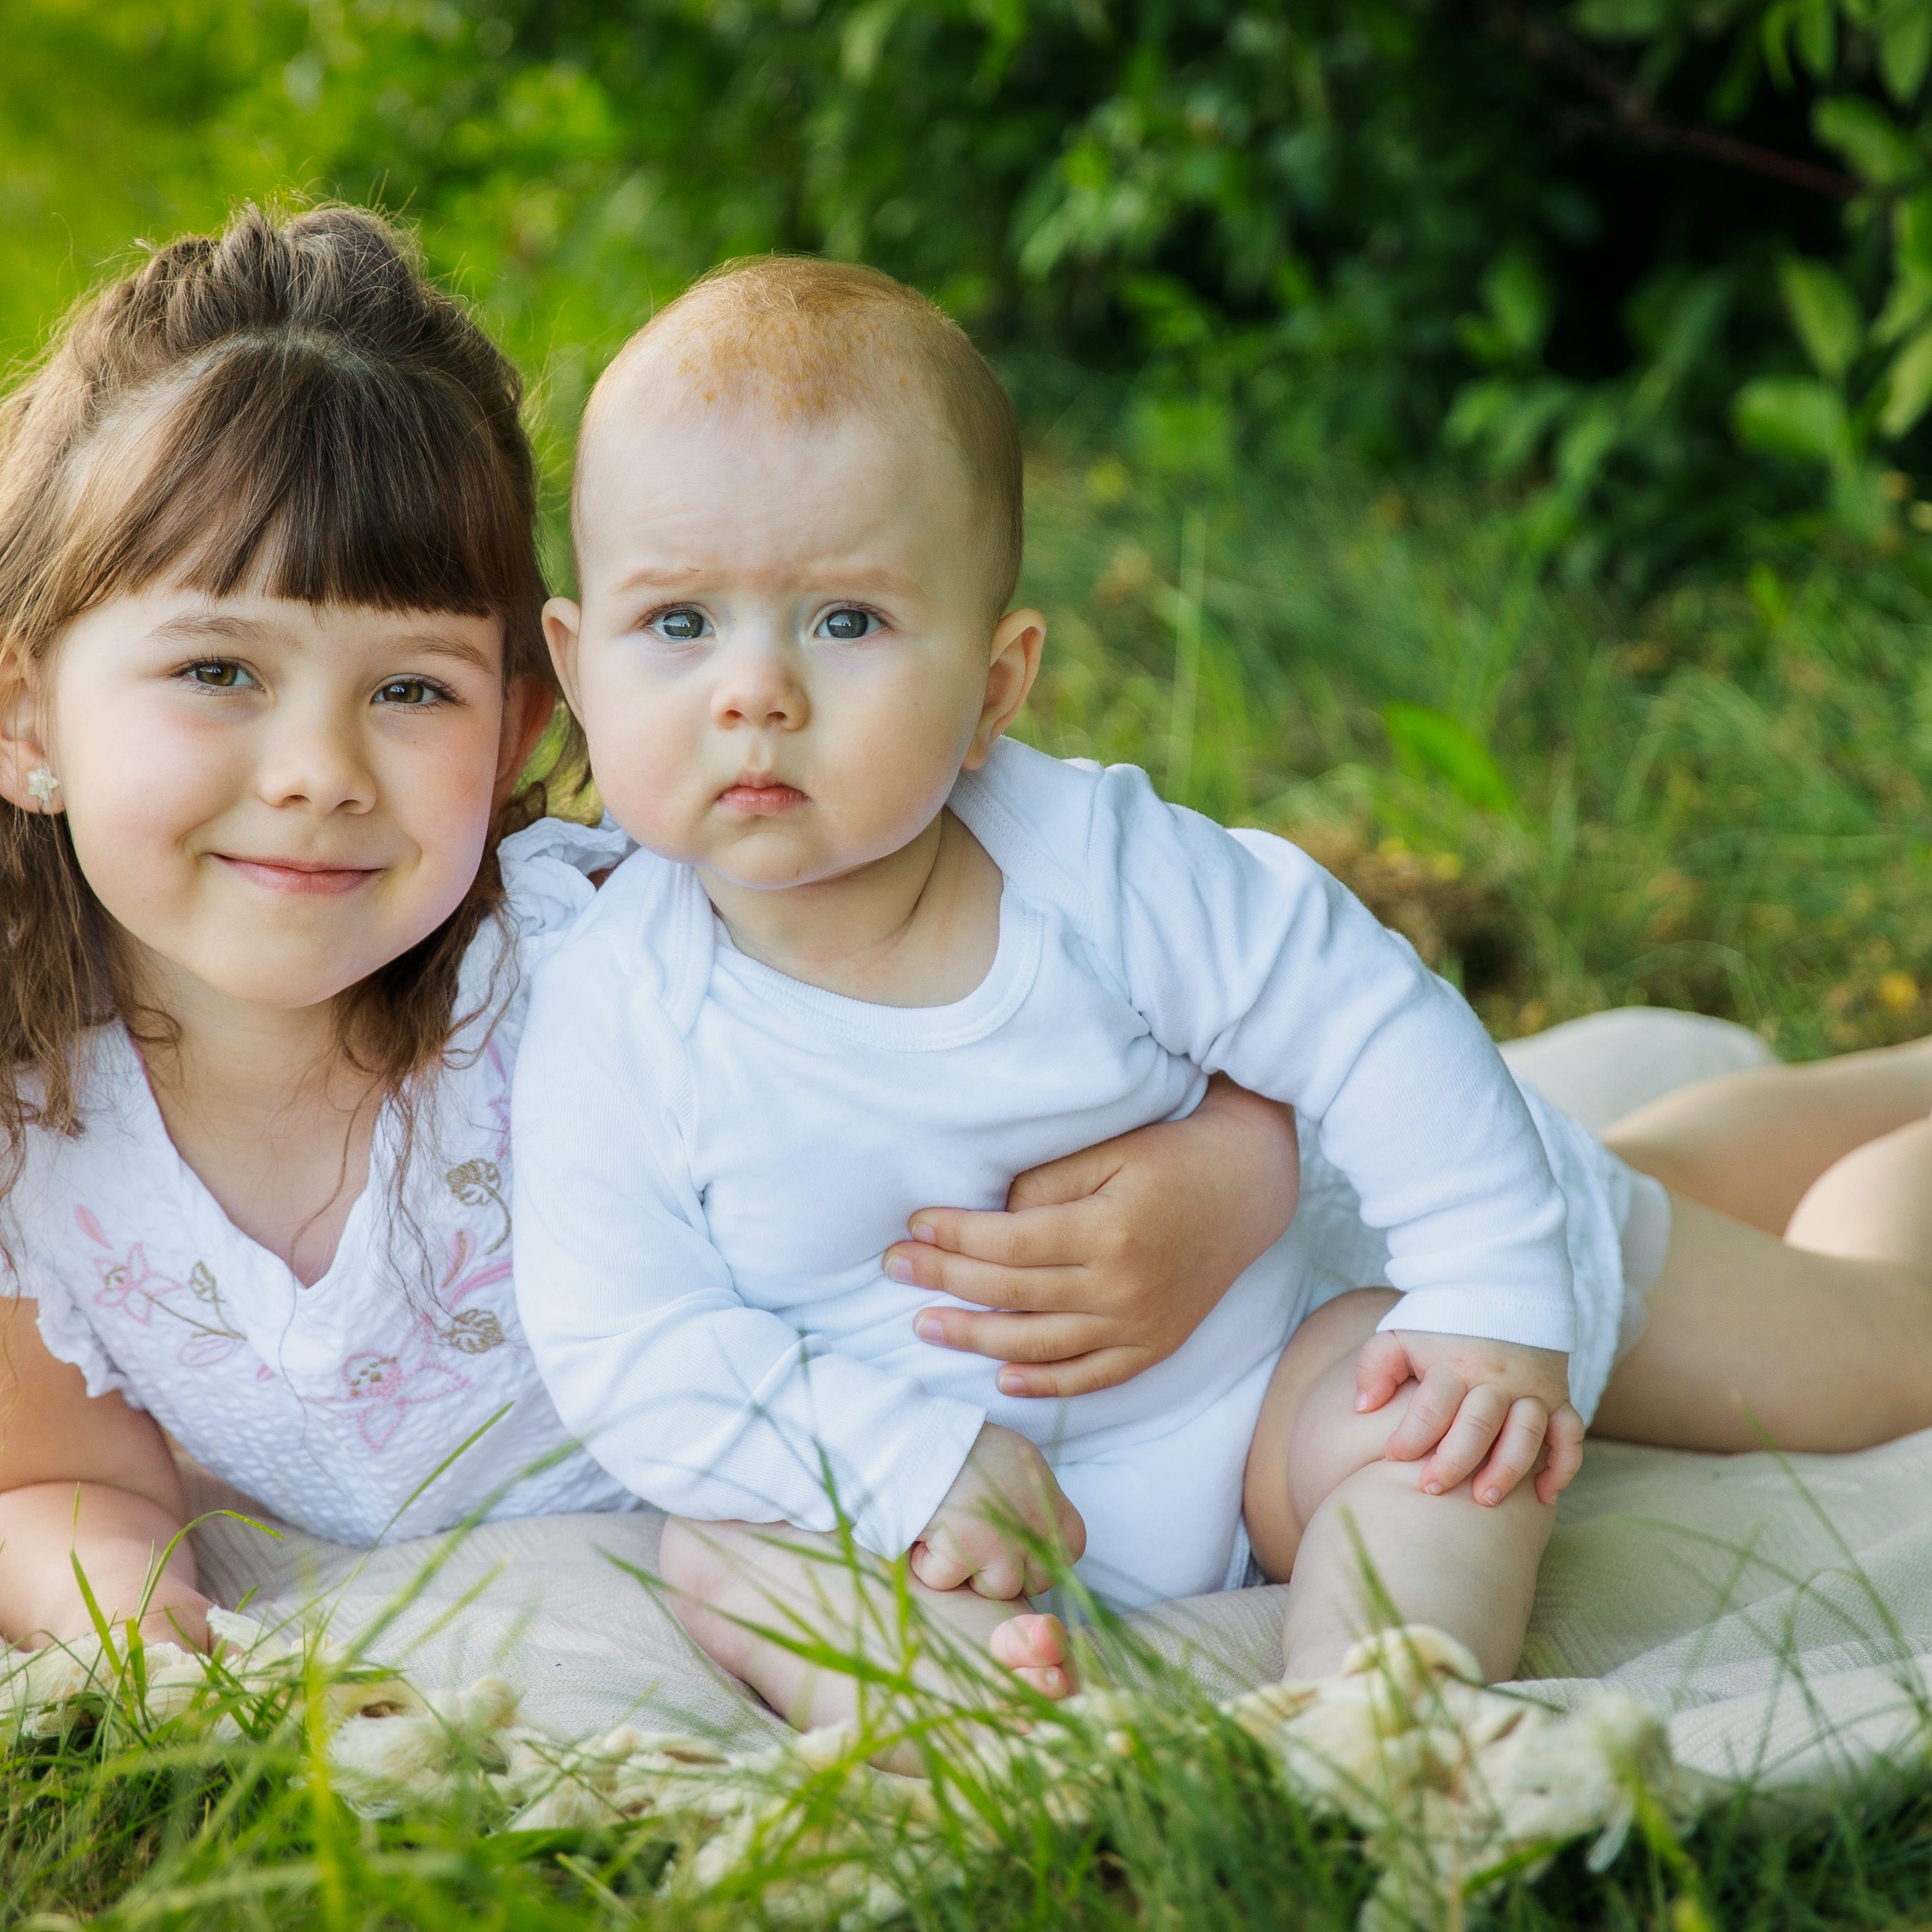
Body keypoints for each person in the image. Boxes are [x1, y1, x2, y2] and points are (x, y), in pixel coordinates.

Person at [0, 206, 1304, 1657]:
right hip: (832, 1546)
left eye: (413, 690)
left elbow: (1173, 981)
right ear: (26, 714)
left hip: (1201, 1323)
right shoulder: (33, 1116)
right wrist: (131, 1620)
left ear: (522, 727)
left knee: (1573, 1284)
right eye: (218, 668)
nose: (318, 770)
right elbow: (60, 1475)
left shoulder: (627, 954)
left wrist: (1242, 1169)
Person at [509, 254, 1661, 1719]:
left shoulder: (1093, 868)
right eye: (678, 623)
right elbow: (627, 1337)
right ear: (577, 663)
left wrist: (1488, 1288)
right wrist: (900, 1459)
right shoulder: (619, 1009)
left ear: (994, 686)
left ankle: (1382, 1696)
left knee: (1431, 1426)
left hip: (1242, 1402)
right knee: (723, 1549)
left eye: (844, 621)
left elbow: (1360, 1012)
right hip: (917, 1509)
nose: (755, 690)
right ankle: (978, 1732)